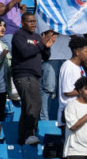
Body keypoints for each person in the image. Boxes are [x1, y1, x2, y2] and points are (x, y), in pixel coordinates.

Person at [11, 12, 57, 145]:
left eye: (34, 21)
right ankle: (30, 134)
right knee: (33, 104)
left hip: (34, 76)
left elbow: (45, 56)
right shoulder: (19, 35)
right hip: (23, 74)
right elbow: (25, 52)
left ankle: (23, 139)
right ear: (22, 23)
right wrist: (42, 43)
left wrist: (47, 47)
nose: (33, 24)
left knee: (29, 106)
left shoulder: (37, 37)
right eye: (30, 21)